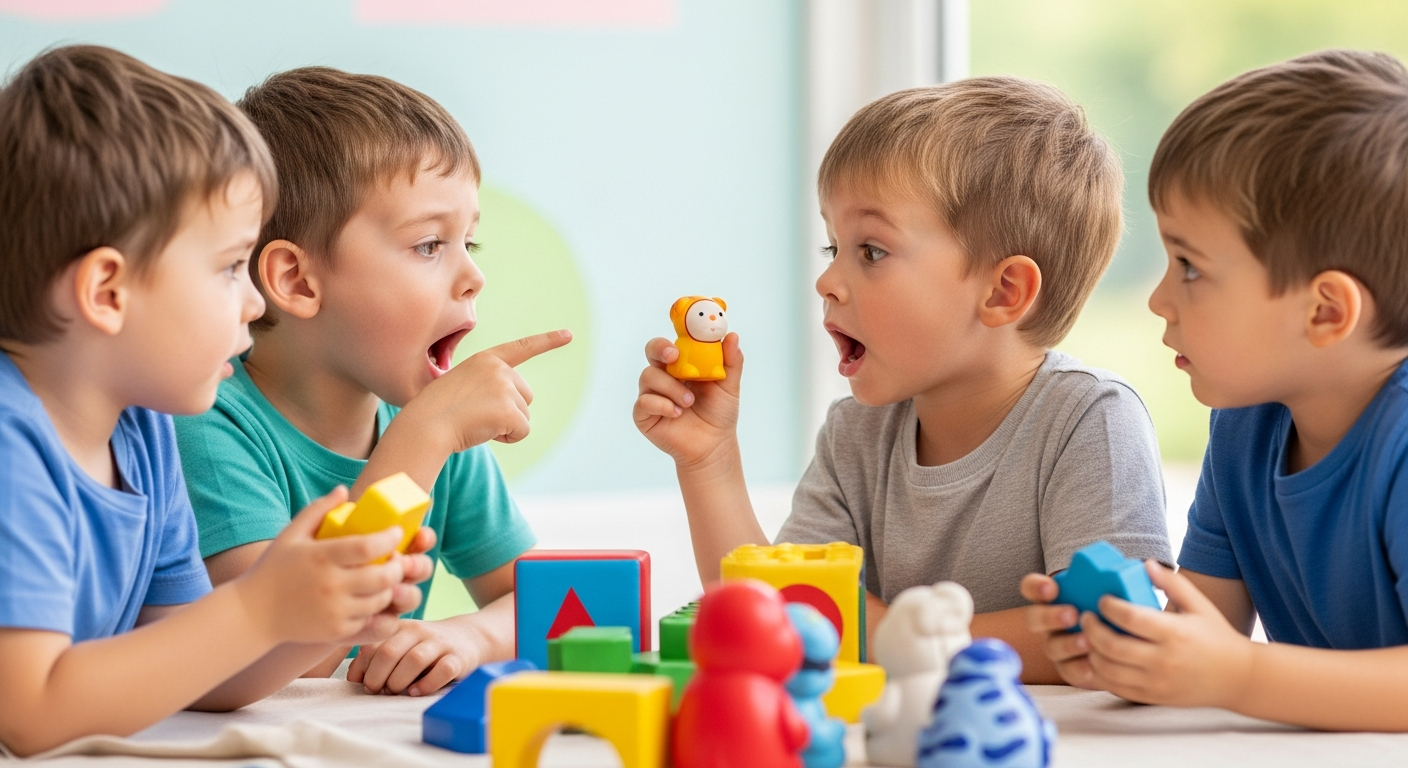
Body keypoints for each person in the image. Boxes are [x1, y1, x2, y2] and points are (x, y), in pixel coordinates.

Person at [635, 78, 1171, 681]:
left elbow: (1112, 631)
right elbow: (775, 614)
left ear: (1003, 292)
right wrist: (710, 462)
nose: (828, 281)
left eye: (870, 251)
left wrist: (889, 633)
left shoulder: (1090, 420)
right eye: (831, 247)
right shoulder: (856, 434)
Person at [0, 46, 431, 755]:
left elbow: (199, 671)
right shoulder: (14, 444)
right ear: (108, 292)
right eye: (231, 266)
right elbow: (32, 708)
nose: (255, 300)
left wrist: (318, 617)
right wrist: (258, 606)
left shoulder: (141, 433)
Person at [1023, 49, 1408, 730]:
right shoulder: (1247, 426)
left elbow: (1235, 665)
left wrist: (1239, 674)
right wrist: (1122, 650)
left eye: (1190, 267)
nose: (1159, 300)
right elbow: (1205, 626)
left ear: (1325, 312)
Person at [174, 67, 569, 697]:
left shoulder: (435, 432)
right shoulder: (205, 424)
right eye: (430, 244)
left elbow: (558, 607)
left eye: (471, 242)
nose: (473, 276)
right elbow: (276, 661)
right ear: (299, 282)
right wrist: (423, 437)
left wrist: (474, 635)